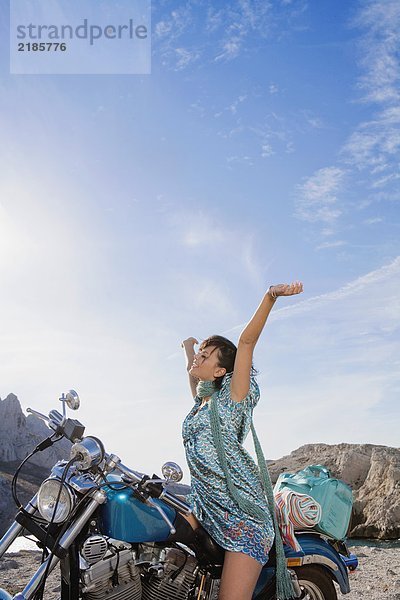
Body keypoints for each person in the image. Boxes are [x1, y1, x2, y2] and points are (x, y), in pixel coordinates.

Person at [181, 281, 304, 600]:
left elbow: (246, 343)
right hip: (206, 505)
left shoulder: (233, 398)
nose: (199, 358)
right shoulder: (202, 404)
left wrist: (270, 296)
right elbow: (192, 377)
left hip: (242, 516)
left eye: (205, 356)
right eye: (200, 354)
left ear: (222, 371)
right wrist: (188, 350)